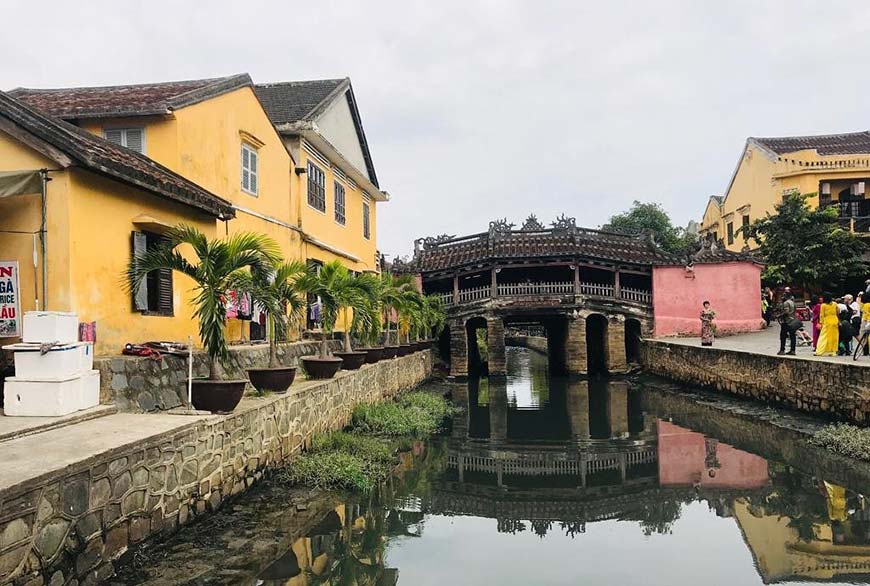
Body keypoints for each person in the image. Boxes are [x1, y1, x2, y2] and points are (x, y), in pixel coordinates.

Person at [778, 291, 797, 355]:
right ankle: (793, 350)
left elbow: (786, 312)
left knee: (783, 336)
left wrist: (779, 315)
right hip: (793, 321)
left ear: (786, 296)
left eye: (783, 295)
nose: (782, 297)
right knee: (792, 336)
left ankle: (782, 350)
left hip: (786, 321)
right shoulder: (793, 302)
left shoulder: (786, 303)